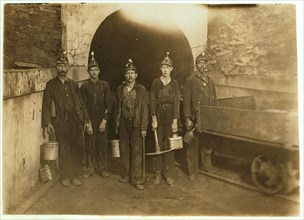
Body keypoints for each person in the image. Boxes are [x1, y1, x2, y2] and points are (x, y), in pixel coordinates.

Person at [42, 51, 90, 187]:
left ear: (68, 67)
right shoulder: (51, 85)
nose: (62, 68)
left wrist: (85, 120)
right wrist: (48, 122)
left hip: (75, 121)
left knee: (76, 148)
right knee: (64, 149)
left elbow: (81, 103)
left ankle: (74, 175)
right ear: (56, 68)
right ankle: (65, 176)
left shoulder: (74, 85)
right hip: (61, 121)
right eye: (59, 65)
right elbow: (46, 104)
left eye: (64, 65)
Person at [183, 49, 218, 181]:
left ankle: (206, 165)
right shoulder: (190, 81)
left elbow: (214, 100)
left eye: (204, 63)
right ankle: (192, 171)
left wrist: (214, 115)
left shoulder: (211, 81)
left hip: (208, 117)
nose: (202, 66)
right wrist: (187, 118)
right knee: (192, 143)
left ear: (207, 65)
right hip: (195, 117)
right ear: (196, 66)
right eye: (199, 63)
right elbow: (186, 101)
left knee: (206, 143)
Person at [115, 59, 148, 190]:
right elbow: (118, 106)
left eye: (132, 73)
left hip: (136, 124)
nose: (130, 75)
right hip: (123, 123)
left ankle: (137, 179)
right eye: (127, 73)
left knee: (136, 151)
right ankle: (126, 175)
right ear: (125, 75)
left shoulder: (141, 89)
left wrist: (144, 127)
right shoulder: (120, 89)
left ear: (136, 75)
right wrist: (117, 124)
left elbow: (145, 109)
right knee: (124, 149)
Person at [150, 52, 180, 186]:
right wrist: (154, 118)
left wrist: (175, 120)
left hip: (169, 116)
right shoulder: (156, 82)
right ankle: (157, 173)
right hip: (159, 114)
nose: (165, 70)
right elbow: (152, 100)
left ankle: (166, 172)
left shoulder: (174, 84)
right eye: (163, 67)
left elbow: (176, 103)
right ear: (160, 69)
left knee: (169, 144)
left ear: (171, 69)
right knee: (157, 144)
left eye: (167, 67)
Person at [80, 51, 111, 178]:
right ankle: (89, 168)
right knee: (89, 143)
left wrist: (104, 120)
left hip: (101, 118)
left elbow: (109, 105)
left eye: (96, 69)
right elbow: (82, 105)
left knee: (102, 143)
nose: (94, 72)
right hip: (89, 118)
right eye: (91, 70)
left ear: (99, 71)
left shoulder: (105, 85)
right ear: (88, 72)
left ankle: (102, 168)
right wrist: (87, 122)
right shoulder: (84, 86)